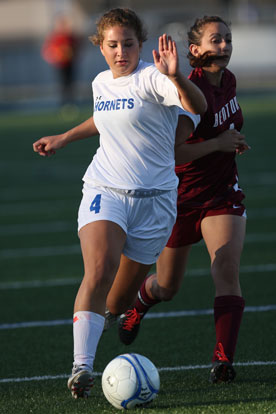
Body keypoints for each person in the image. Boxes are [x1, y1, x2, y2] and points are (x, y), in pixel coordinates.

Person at [33, 8, 207, 399]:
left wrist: (176, 75)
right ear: (100, 47)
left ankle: (120, 312)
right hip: (105, 190)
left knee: (117, 300)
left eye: (128, 43)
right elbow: (103, 117)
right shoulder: (100, 83)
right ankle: (82, 367)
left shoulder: (152, 77)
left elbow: (197, 108)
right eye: (112, 45)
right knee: (98, 270)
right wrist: (64, 136)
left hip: (156, 202)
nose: (120, 52)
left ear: (140, 44)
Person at [110, 15, 250, 384]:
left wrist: (232, 142)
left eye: (228, 39)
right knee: (167, 287)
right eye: (216, 40)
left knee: (226, 267)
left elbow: (225, 127)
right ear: (195, 50)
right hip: (181, 197)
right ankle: (140, 304)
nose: (224, 46)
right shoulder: (190, 90)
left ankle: (223, 361)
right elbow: (174, 153)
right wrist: (218, 144)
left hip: (222, 193)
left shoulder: (230, 80)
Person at [41, 14, 79, 106]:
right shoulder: (54, 37)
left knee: (70, 84)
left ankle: (71, 102)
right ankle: (63, 103)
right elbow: (47, 52)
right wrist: (56, 56)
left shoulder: (70, 36)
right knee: (62, 85)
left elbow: (77, 49)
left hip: (70, 64)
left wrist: (72, 53)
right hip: (60, 65)